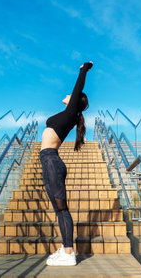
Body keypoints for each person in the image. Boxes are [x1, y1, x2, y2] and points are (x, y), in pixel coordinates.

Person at [40, 61, 93, 266]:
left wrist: (83, 70)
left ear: (75, 102)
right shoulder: (69, 115)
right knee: (58, 208)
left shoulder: (72, 113)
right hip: (48, 161)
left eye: (72, 97)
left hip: (52, 161)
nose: (68, 95)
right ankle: (65, 248)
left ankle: (69, 253)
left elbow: (77, 88)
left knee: (62, 208)